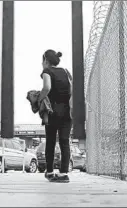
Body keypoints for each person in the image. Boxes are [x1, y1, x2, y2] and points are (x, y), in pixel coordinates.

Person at [38, 49, 72, 183]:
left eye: (42, 61)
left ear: (46, 61)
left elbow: (46, 87)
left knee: (51, 141)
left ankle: (50, 171)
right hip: (67, 110)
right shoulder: (66, 71)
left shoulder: (47, 71)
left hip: (53, 110)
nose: (42, 64)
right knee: (65, 141)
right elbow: (72, 88)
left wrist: (40, 99)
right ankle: (64, 173)